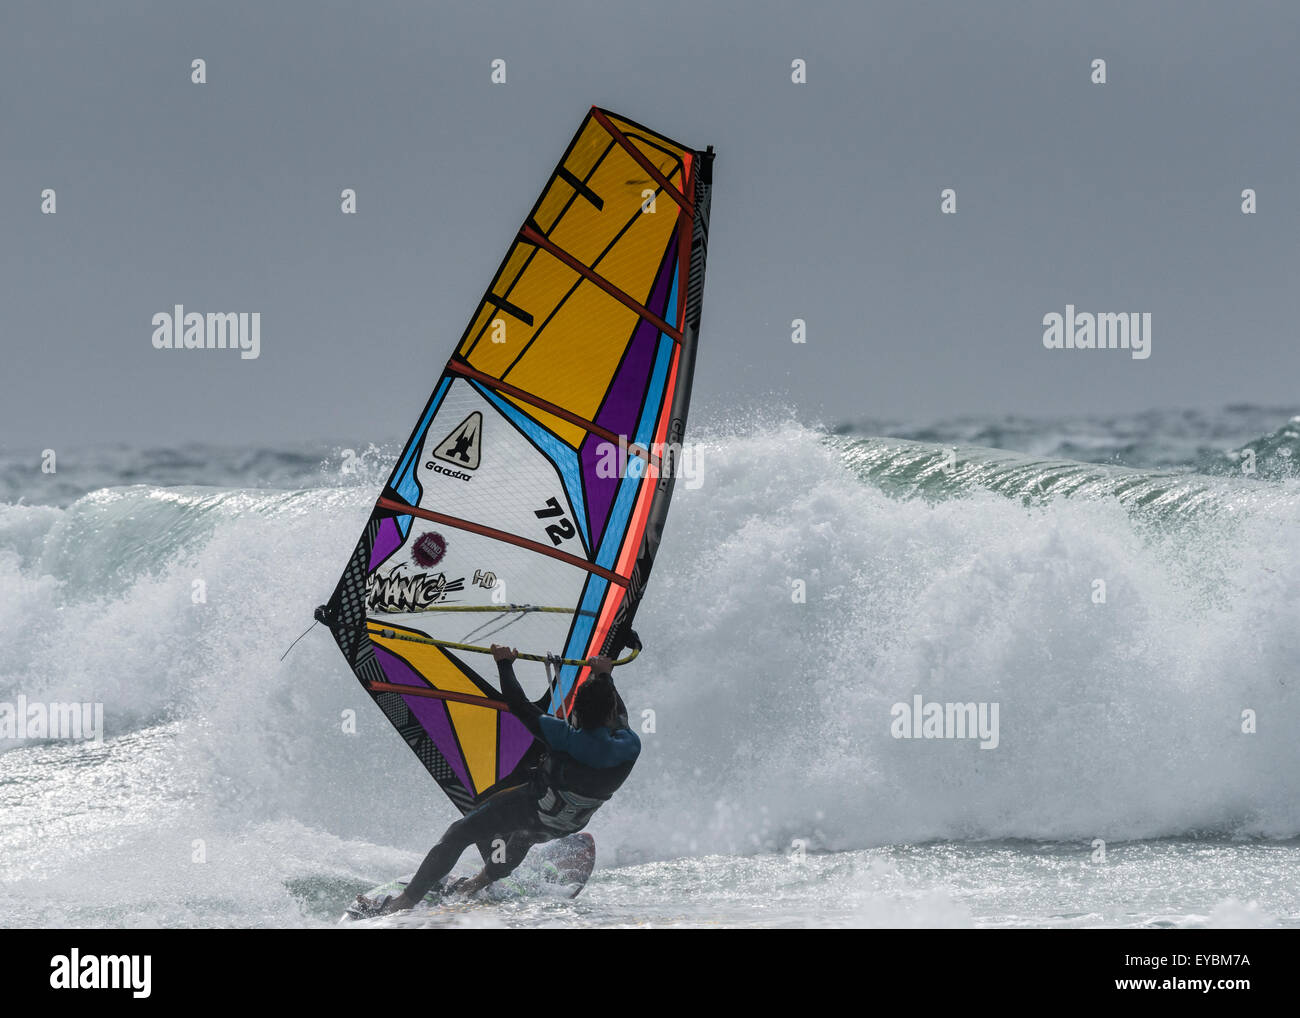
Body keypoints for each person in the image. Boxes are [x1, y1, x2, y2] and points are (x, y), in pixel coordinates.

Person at [355, 641, 640, 915]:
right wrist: (604, 676)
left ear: (576, 711)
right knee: (525, 838)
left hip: (534, 810)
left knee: (459, 833)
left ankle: (404, 902)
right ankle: (479, 883)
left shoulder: (563, 736)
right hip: (569, 823)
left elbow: (518, 704)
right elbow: (620, 716)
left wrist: (504, 663)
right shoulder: (629, 746)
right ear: (611, 714)